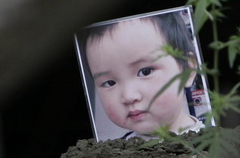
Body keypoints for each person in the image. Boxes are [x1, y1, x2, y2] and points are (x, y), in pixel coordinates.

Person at [82, 12, 203, 140]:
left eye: (145, 72)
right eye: (110, 83)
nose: (129, 96)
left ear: (187, 71)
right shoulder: (115, 154)